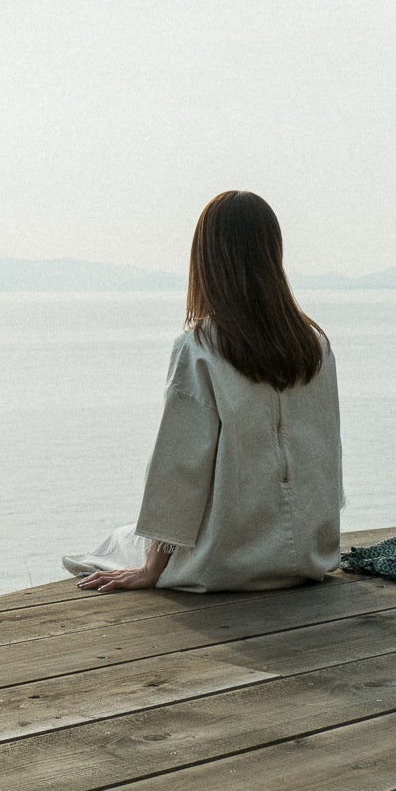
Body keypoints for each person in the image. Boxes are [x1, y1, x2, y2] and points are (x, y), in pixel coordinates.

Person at [65, 190, 342, 592]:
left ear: (207, 260)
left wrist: (151, 569)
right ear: (273, 253)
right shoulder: (314, 346)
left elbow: (179, 470)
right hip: (308, 558)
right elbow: (326, 454)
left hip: (226, 562)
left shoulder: (201, 346)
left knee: (114, 543)